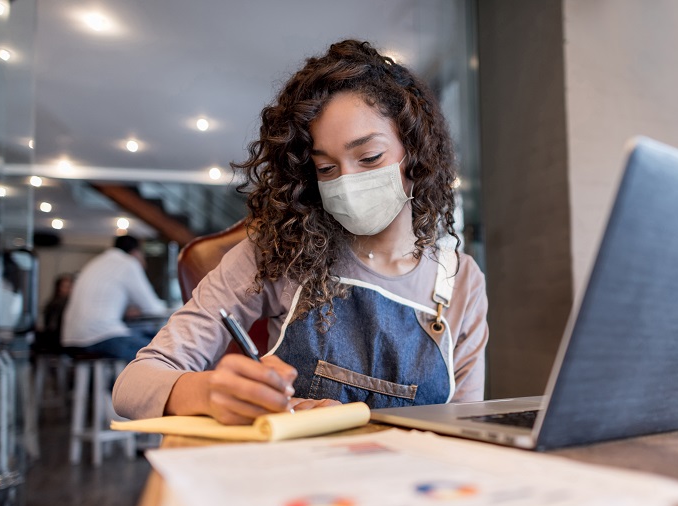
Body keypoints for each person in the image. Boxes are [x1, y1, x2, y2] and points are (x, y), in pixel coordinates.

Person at [113, 39, 488, 423]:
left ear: (416, 152)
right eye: (326, 169)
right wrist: (207, 392)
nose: (348, 181)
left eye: (370, 158)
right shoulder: (280, 252)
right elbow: (133, 384)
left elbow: (467, 425)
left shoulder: (461, 281)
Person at [61, 235, 167, 361]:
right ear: (136, 252)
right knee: (162, 351)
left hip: (70, 340)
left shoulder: (96, 261)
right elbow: (153, 308)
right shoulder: (128, 263)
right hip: (101, 338)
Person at [34, 273, 74, 353]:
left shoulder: (51, 303)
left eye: (71, 287)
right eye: (66, 287)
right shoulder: (58, 304)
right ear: (59, 288)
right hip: (58, 341)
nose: (69, 290)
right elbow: (52, 327)